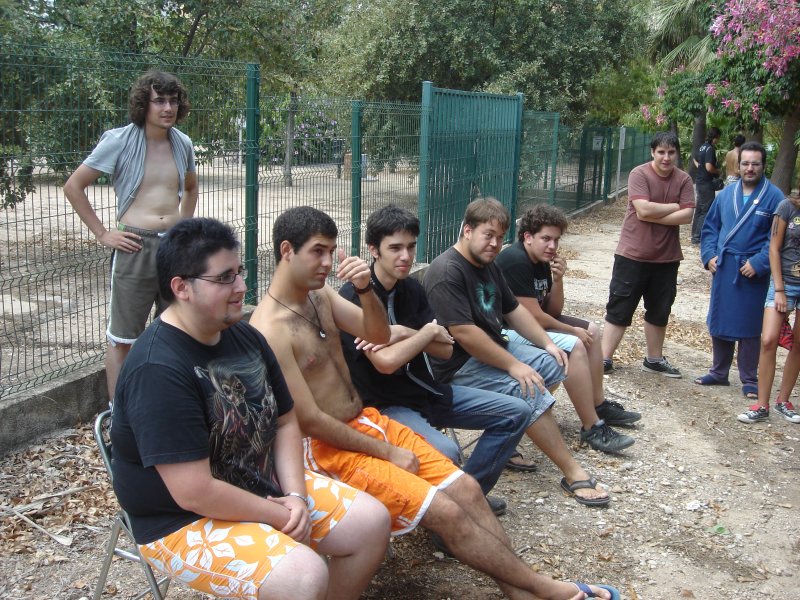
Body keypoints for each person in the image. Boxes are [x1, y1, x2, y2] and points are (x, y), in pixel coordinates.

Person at [249, 206, 619, 600]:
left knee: (469, 491)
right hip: (327, 449)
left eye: (331, 251)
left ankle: (523, 593)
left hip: (368, 421)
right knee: (449, 511)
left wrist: (365, 290)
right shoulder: (270, 329)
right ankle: (549, 589)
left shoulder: (320, 295)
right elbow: (308, 420)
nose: (328, 262)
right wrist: (388, 451)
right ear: (286, 251)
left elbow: (377, 333)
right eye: (318, 252)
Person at [110, 217, 391, 600]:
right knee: (303, 575)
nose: (242, 286)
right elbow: (194, 492)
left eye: (239, 271)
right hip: (181, 519)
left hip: (259, 482)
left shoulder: (244, 336)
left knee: (372, 523)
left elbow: (286, 421)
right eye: (225, 278)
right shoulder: (157, 369)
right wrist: (281, 514)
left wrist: (296, 497)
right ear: (181, 288)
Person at [339, 205, 530, 512]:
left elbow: (446, 350)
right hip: (384, 406)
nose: (405, 256)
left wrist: (405, 333)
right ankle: (454, 510)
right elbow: (386, 363)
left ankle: (468, 497)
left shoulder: (411, 288)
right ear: (374, 250)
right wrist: (426, 333)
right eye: (395, 248)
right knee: (446, 451)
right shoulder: (353, 298)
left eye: (411, 246)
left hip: (427, 392)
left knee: (517, 411)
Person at [424, 197, 611, 507]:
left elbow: (514, 311)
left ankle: (515, 431)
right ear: (467, 231)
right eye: (488, 235)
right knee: (527, 387)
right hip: (458, 366)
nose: (495, 244)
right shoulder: (446, 271)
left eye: (500, 237)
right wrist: (514, 365)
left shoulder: (486, 265)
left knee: (554, 362)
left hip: (491, 350)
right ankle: (572, 472)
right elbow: (466, 335)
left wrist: (548, 343)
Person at [63, 71, 199, 400]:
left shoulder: (182, 143)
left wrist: (183, 228)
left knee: (175, 332)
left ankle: (165, 404)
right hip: (134, 247)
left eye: (173, 101)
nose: (167, 108)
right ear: (144, 104)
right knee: (123, 338)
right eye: (159, 101)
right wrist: (102, 233)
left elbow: (191, 188)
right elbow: (73, 186)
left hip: (172, 249)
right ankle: (119, 414)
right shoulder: (120, 140)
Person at [496, 204, 640, 453]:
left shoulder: (541, 259)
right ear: (527, 236)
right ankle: (592, 427)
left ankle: (598, 404)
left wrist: (558, 280)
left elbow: (552, 310)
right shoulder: (515, 260)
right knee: (575, 346)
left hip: (530, 325)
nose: (552, 246)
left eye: (556, 240)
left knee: (592, 331)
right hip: (506, 331)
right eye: (546, 239)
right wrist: (571, 331)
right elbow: (533, 317)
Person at [601, 131, 695, 377]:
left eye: (671, 152)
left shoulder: (684, 179)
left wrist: (655, 213)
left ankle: (654, 359)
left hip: (667, 258)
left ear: (677, 153)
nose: (666, 157)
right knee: (620, 307)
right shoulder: (639, 174)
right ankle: (604, 358)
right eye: (661, 152)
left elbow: (687, 216)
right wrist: (674, 206)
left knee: (660, 310)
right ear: (653, 152)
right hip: (632, 254)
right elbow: (642, 210)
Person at [697, 142, 785, 398]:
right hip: (725, 266)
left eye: (755, 164)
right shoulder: (726, 194)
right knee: (721, 319)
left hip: (752, 271)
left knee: (750, 325)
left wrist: (759, 262)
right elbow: (710, 228)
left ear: (763, 166)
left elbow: (776, 239)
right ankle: (718, 372)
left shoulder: (775, 197)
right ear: (739, 165)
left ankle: (749, 378)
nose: (749, 168)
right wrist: (709, 256)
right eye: (745, 163)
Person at [738, 191, 800, 425]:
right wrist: (780, 288)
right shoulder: (787, 207)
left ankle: (783, 401)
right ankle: (761, 405)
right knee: (768, 339)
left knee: (798, 344)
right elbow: (774, 248)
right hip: (783, 283)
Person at [691, 127, 722, 244]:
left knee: (699, 209)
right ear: (716, 137)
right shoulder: (710, 149)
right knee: (706, 210)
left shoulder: (702, 147)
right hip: (706, 183)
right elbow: (709, 167)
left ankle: (695, 235)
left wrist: (700, 167)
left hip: (699, 181)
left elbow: (695, 159)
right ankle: (698, 237)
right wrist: (717, 171)